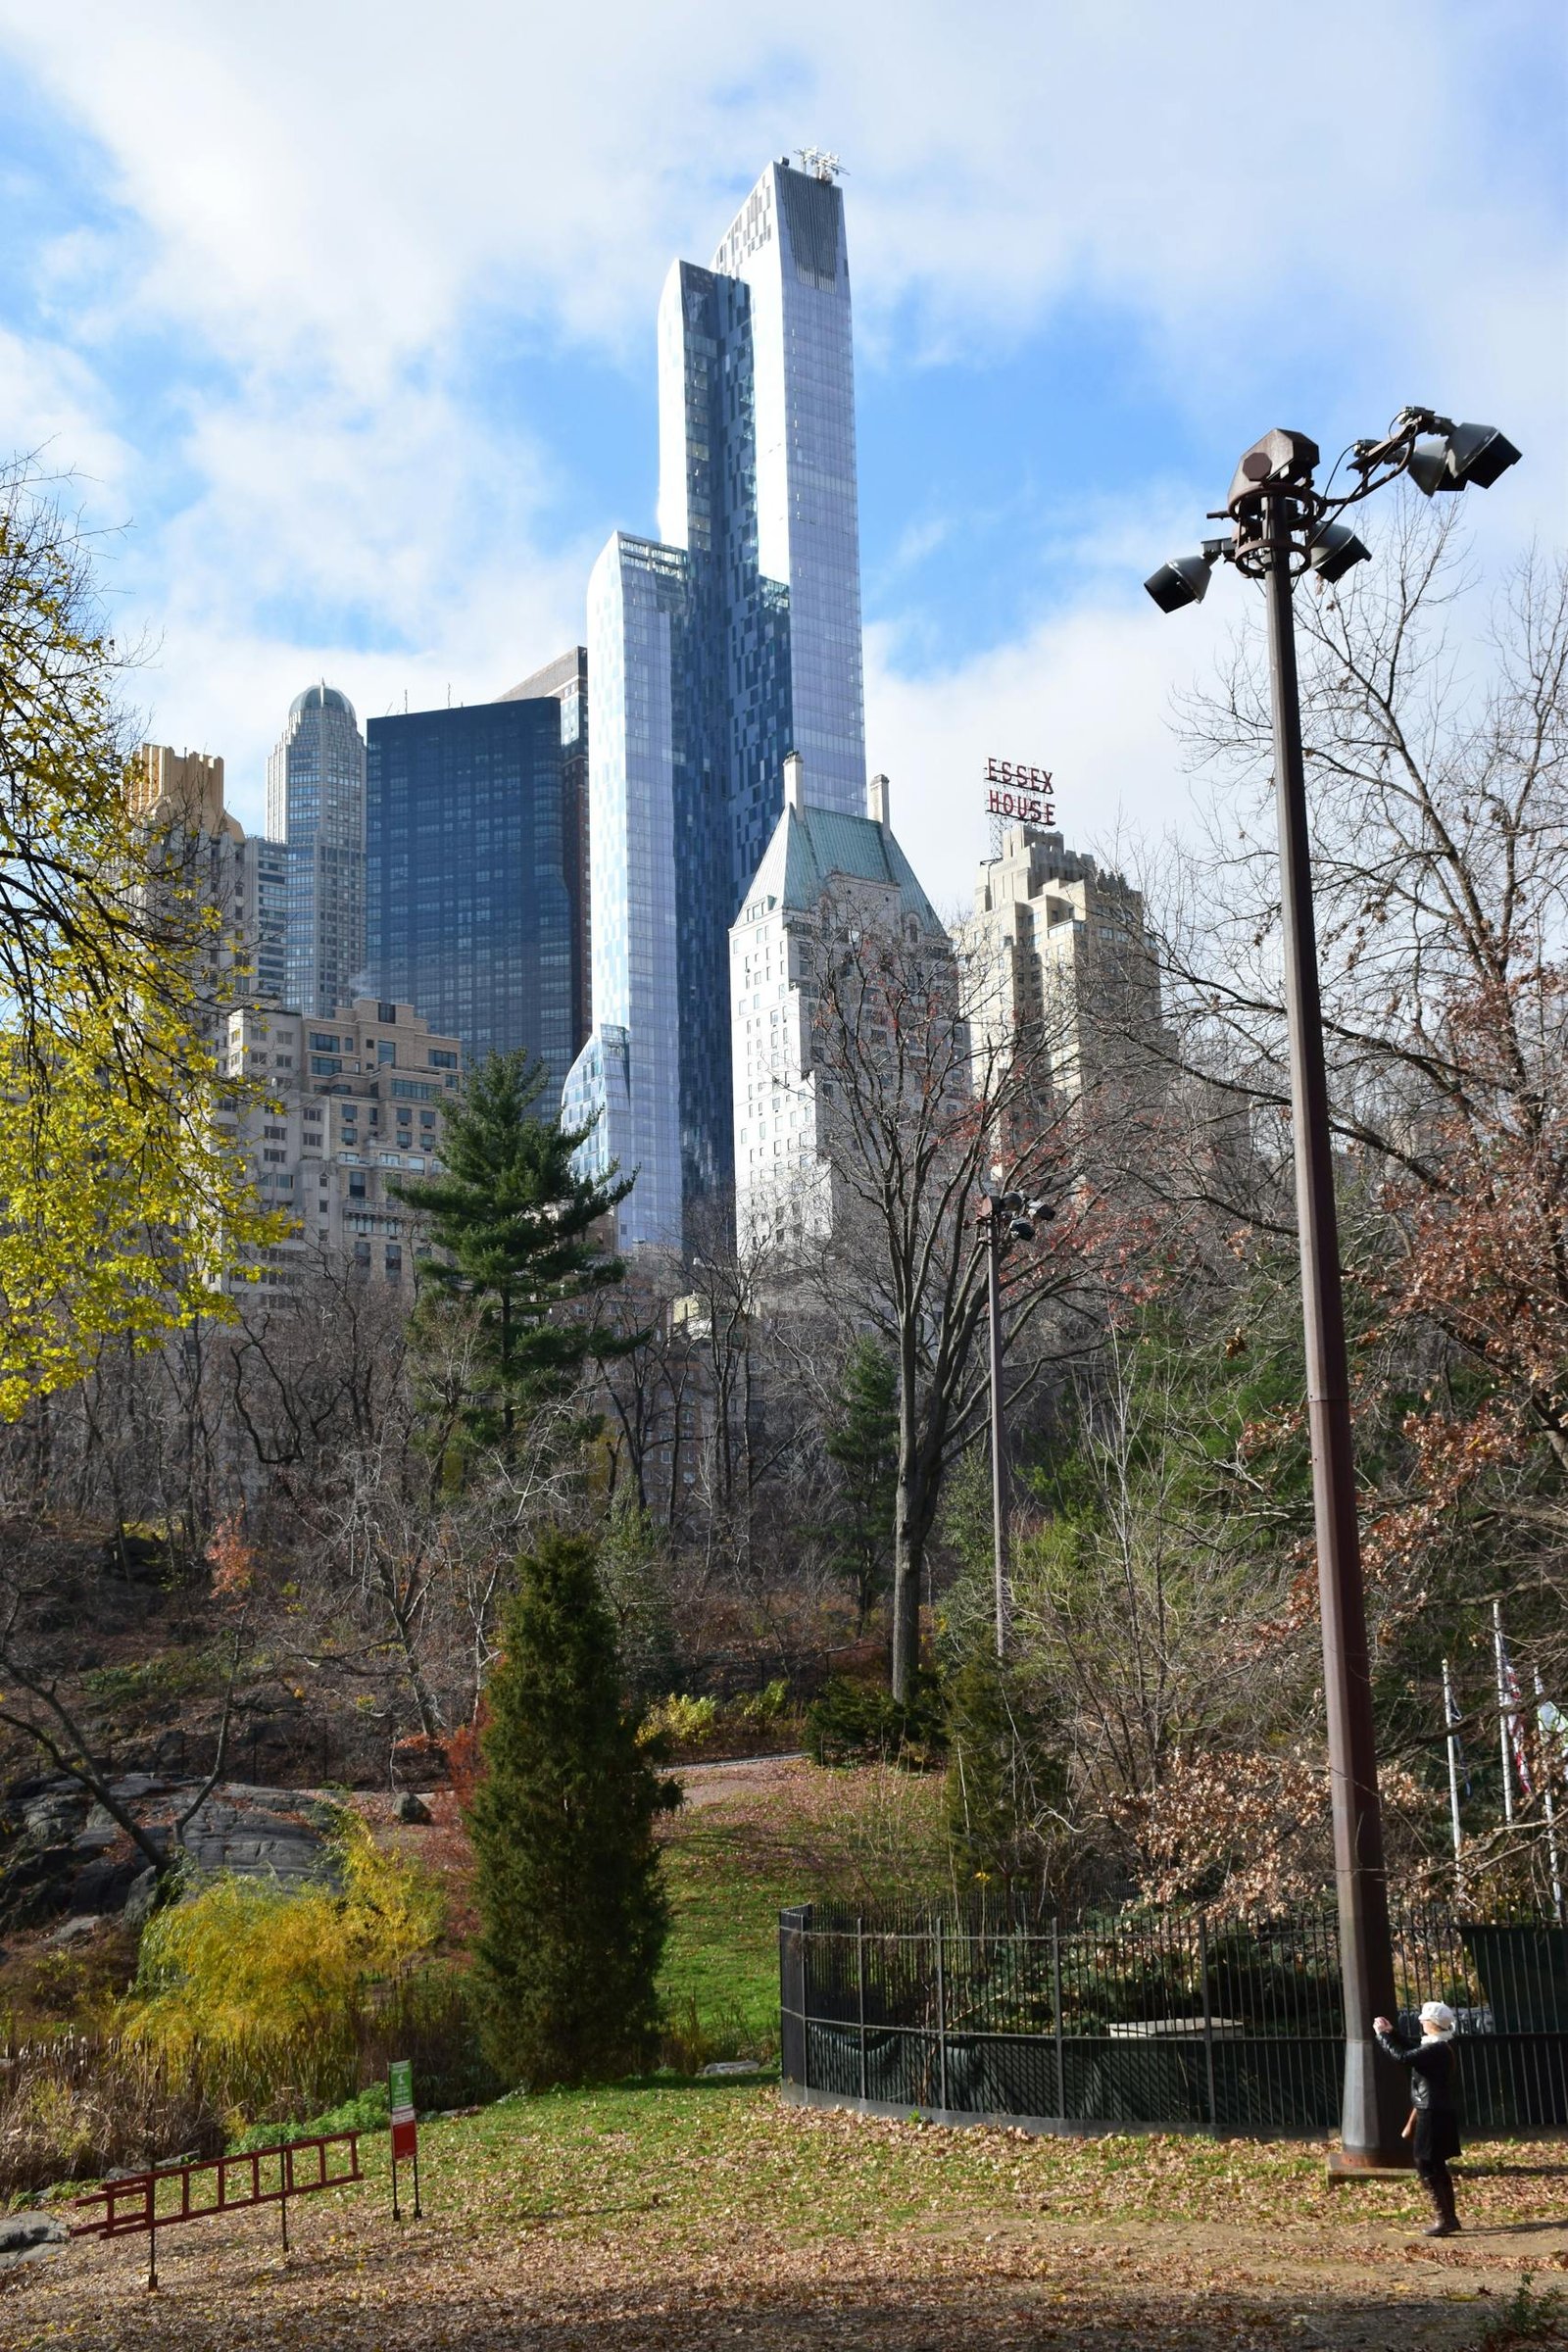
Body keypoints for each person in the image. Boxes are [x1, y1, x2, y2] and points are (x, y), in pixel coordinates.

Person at [1373, 2002, 1463, 2237]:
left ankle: (1445, 2218)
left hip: (1431, 2111)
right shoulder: (1441, 2045)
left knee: (1425, 2162)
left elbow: (1402, 2057)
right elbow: (1413, 2052)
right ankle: (1448, 2217)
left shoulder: (1435, 2049)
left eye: (1424, 2019)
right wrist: (1393, 2033)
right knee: (1436, 2163)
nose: (1421, 2022)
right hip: (1437, 2109)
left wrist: (1383, 2036)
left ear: (1432, 2024)